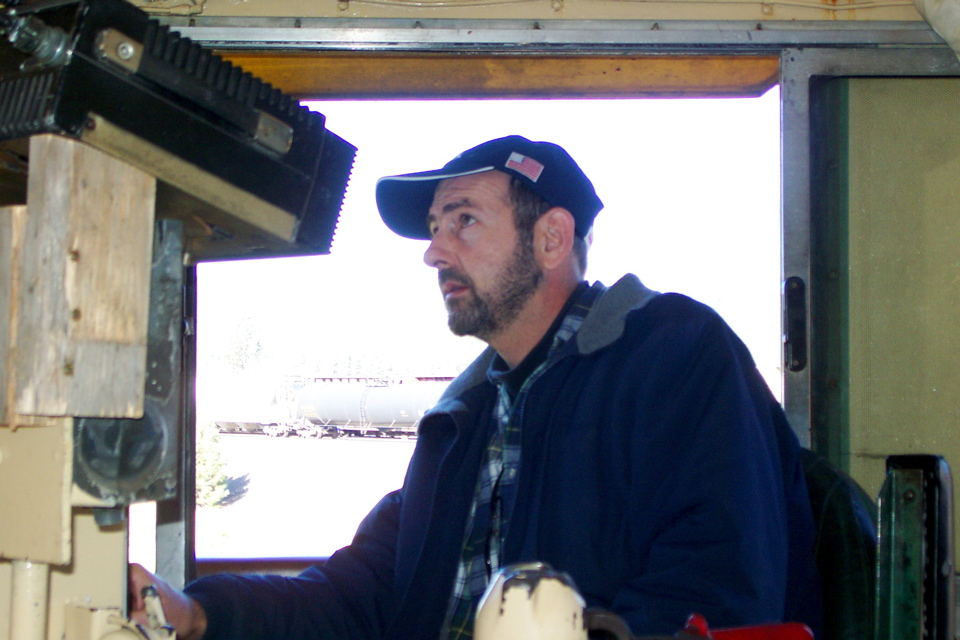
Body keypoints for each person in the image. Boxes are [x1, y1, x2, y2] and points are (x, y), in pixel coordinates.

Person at [129, 135, 823, 640]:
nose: (434, 251)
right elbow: (364, 593)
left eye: (463, 219)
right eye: (433, 229)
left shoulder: (676, 357)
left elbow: (720, 590)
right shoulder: (461, 420)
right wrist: (197, 611)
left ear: (552, 240)